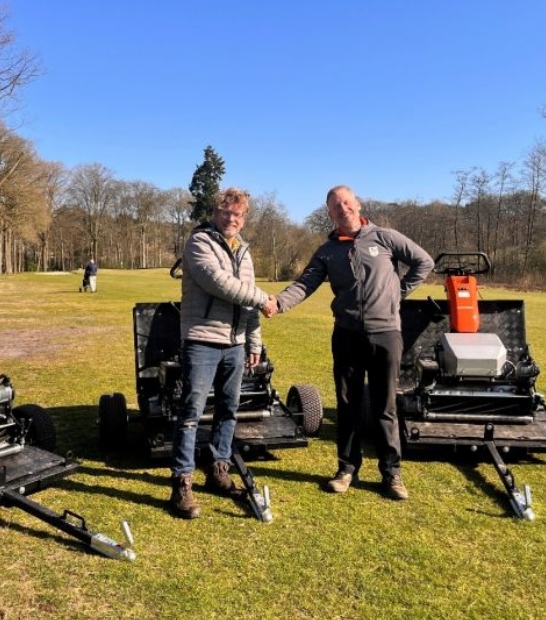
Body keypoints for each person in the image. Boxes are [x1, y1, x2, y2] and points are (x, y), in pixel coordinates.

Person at [266, 185, 433, 500]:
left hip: (387, 334)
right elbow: (305, 284)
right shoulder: (327, 251)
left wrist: (398, 292)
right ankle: (346, 469)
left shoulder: (385, 237)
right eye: (335, 205)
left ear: (357, 204)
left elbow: (423, 262)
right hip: (346, 334)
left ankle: (392, 474)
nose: (342, 208)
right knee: (348, 405)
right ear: (329, 214)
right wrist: (279, 302)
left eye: (346, 201)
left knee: (385, 406)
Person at [169, 187, 273, 519]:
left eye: (238, 214)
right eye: (226, 212)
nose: (232, 219)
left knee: (229, 410)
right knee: (191, 413)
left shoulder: (244, 250)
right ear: (216, 214)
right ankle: (182, 483)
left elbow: (249, 299)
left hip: (235, 343)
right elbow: (219, 282)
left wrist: (254, 342)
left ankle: (219, 470)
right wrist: (263, 299)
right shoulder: (199, 243)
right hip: (202, 339)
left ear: (244, 218)